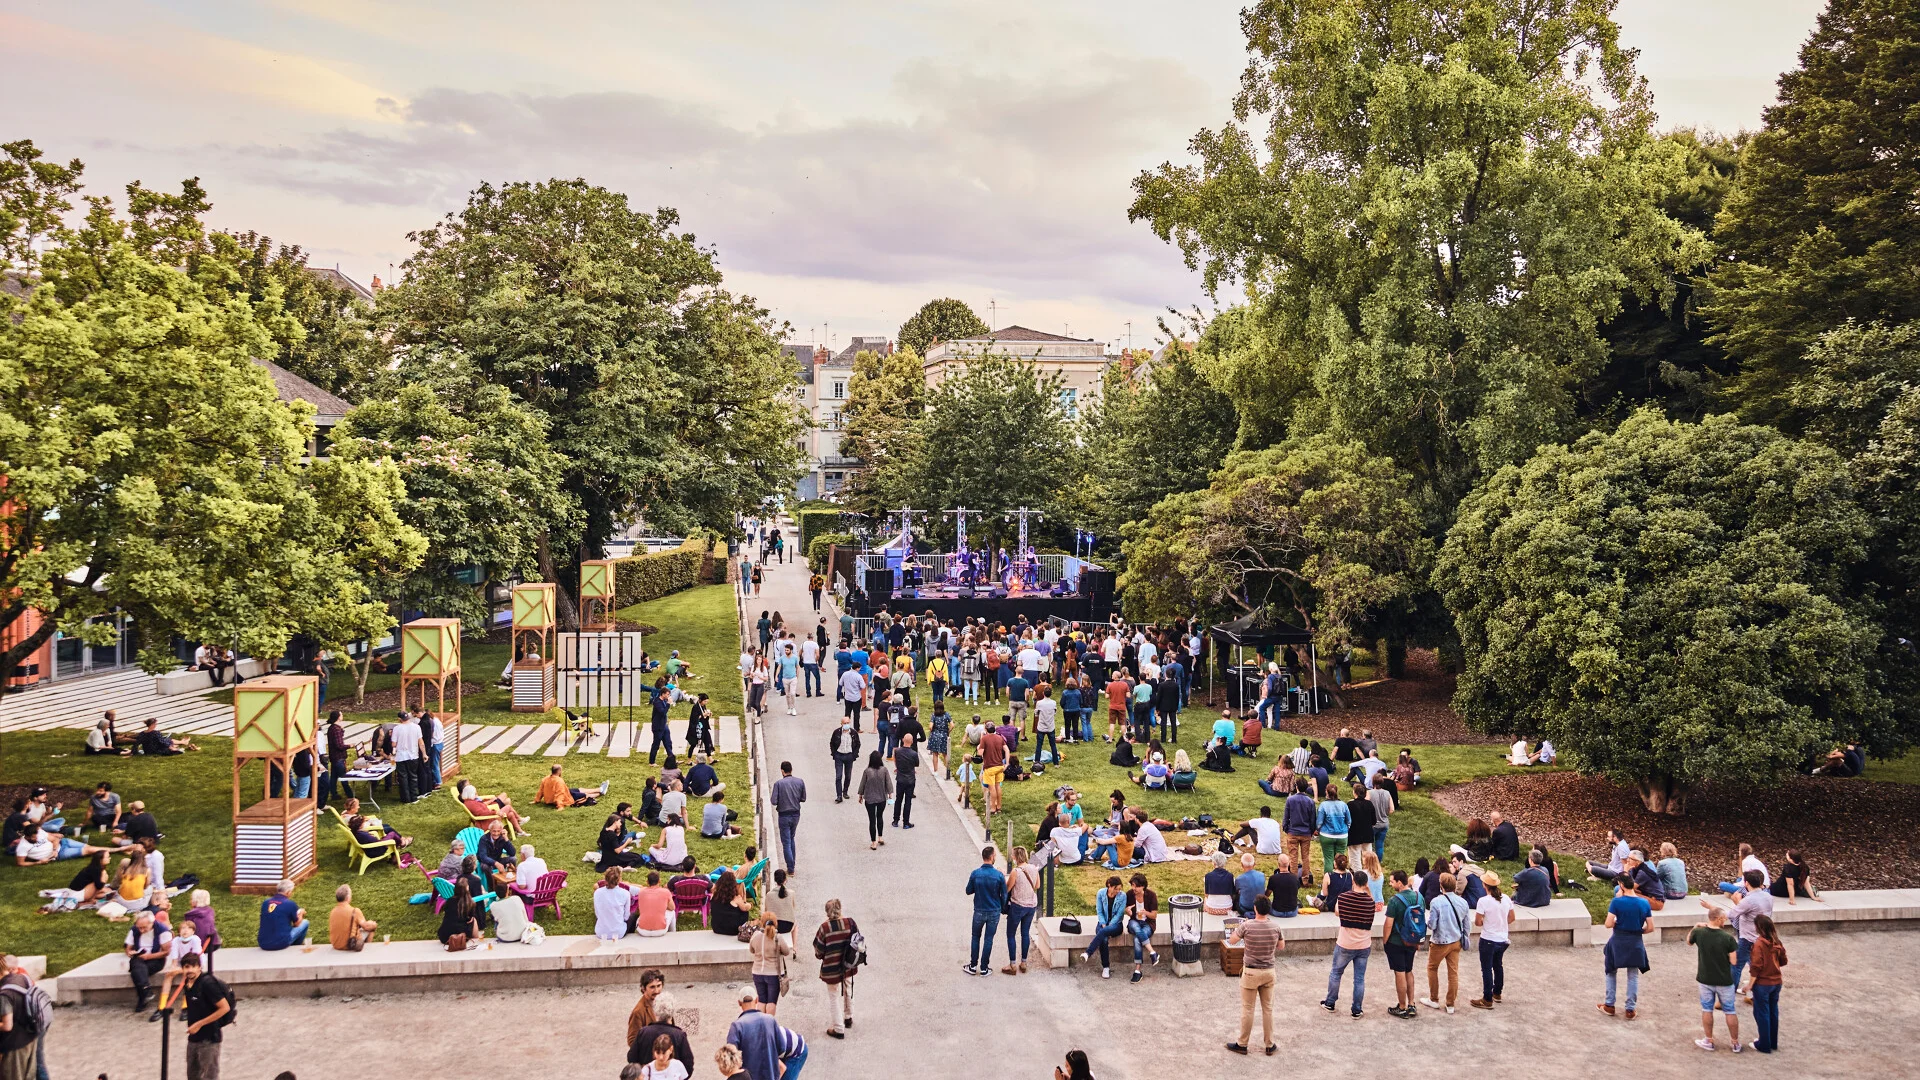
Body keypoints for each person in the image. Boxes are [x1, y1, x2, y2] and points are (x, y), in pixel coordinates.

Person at [1224, 895, 1284, 1055]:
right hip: (1269, 971)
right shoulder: (1275, 927)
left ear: (1255, 909)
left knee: (1248, 1009)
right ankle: (1269, 1044)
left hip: (1251, 972)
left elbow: (1233, 940)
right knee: (1268, 1009)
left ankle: (1242, 1044)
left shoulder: (1247, 926)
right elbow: (1281, 946)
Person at [1709, 869, 1773, 998]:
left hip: (1748, 937)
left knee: (1736, 964)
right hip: (1761, 936)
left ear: (1746, 883)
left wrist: (1711, 908)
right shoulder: (1768, 896)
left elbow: (1732, 914)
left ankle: (1729, 994)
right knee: (1754, 963)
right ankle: (1756, 988)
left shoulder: (1748, 900)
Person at [1688, 905, 1741, 1052]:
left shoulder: (1699, 932)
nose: (1725, 921)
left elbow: (1689, 941)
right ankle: (1735, 1043)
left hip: (1705, 978)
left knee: (1707, 1009)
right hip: (1724, 980)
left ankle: (1709, 1040)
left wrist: (1695, 926)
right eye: (1723, 918)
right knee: (1730, 1011)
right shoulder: (1728, 939)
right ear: (1718, 919)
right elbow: (1734, 961)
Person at [725, 987, 808, 1080]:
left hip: (796, 1051)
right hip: (785, 1048)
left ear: (739, 1003)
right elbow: (780, 1048)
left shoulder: (737, 1026)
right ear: (757, 1000)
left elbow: (730, 1060)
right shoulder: (770, 1019)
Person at [1600, 875, 1652, 1019]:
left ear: (1621, 885)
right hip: (1635, 941)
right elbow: (1651, 927)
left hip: (1618, 940)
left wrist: (1618, 923)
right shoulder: (1644, 903)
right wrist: (1638, 931)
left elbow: (1608, 924)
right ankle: (1630, 1009)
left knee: (1611, 970)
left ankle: (1609, 1005)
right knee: (1633, 975)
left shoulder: (1617, 902)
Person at [1323, 870, 1373, 1018]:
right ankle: (1356, 1009)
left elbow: (1337, 912)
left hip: (1345, 942)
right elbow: (1372, 904)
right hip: (1364, 944)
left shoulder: (1343, 898)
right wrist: (1368, 890)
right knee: (1359, 979)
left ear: (1353, 882)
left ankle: (1330, 1002)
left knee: (1336, 973)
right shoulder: (1370, 902)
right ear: (1365, 884)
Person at [1420, 872, 1469, 1013]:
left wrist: (1427, 922)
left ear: (1441, 886)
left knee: (1432, 968)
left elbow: (1433, 925)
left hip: (1440, 942)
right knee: (1453, 973)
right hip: (1456, 941)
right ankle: (1450, 1004)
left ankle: (1434, 999)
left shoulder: (1436, 902)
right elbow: (1466, 925)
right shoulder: (1463, 902)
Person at [177, 953, 229, 1080]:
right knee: (193, 1075)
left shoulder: (208, 984)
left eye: (193, 966)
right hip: (194, 1038)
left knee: (209, 1076)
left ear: (199, 967)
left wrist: (199, 1024)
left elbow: (224, 1007)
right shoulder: (188, 984)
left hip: (209, 1039)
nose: (189, 970)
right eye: (186, 967)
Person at [813, 898, 860, 1039]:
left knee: (833, 996)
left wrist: (824, 956)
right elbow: (857, 941)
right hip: (848, 964)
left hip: (831, 967)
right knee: (848, 987)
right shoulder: (850, 923)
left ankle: (839, 1028)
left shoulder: (824, 928)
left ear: (827, 913)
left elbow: (818, 950)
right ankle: (848, 1016)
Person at [1381, 869, 1424, 1019]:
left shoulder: (1395, 900)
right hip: (1412, 941)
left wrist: (1385, 941)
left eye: (1392, 881)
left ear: (1400, 882)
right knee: (1408, 971)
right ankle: (1412, 1004)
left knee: (1399, 972)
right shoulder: (1419, 897)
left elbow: (1388, 924)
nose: (1390, 884)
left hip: (1396, 941)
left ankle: (1402, 1006)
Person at [1469, 873, 1515, 1010]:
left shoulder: (1483, 901)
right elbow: (1512, 917)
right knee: (1498, 965)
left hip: (1488, 939)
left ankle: (1487, 998)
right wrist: (1500, 924)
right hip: (1502, 938)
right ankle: (1497, 993)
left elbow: (1478, 922)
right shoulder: (1506, 898)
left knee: (1487, 968)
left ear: (1484, 885)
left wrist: (1488, 923)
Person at [628, 989, 697, 1075]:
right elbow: (688, 1066)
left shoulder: (643, 1032)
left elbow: (631, 1058)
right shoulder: (679, 1035)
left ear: (655, 1011)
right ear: (672, 1012)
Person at [964, 845, 1006, 976]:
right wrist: (1003, 908)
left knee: (975, 937)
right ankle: (984, 967)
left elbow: (968, 891)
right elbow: (1004, 895)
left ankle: (972, 966)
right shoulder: (999, 875)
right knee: (988, 939)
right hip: (994, 911)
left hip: (979, 910)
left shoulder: (975, 873)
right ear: (992, 857)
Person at [1749, 914, 1787, 1053]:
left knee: (1761, 1013)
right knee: (1773, 1011)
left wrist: (1750, 984)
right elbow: (1784, 960)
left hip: (1763, 984)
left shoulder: (1759, 944)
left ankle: (1764, 1044)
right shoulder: (1777, 941)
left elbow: (1756, 966)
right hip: (1776, 982)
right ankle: (1772, 1042)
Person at [124, 910, 171, 1012]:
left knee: (136, 971)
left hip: (156, 959)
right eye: (139, 927)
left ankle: (143, 997)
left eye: (144, 927)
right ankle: (146, 991)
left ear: (152, 923)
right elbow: (128, 947)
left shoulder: (163, 930)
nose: (141, 930)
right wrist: (130, 952)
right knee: (137, 965)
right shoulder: (134, 930)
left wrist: (149, 956)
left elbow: (166, 952)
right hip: (139, 957)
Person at [750, 916, 793, 1016]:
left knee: (761, 1000)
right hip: (773, 974)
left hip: (757, 972)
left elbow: (751, 950)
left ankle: (761, 1025)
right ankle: (769, 1025)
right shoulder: (778, 937)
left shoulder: (756, 935)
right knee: (771, 1002)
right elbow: (786, 952)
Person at [1282, 782, 1316, 888]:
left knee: (1293, 857)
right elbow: (1313, 819)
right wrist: (1311, 831)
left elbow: (1286, 816)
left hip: (1293, 832)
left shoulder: (1290, 800)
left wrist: (1286, 828)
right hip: (1305, 832)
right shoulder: (1310, 801)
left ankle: (1294, 880)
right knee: (1305, 857)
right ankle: (1305, 880)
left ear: (1296, 787)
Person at [257, 880, 307, 950]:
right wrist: (301, 913)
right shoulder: (290, 904)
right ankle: (294, 946)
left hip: (263, 943)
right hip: (280, 943)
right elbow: (297, 924)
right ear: (288, 892)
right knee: (305, 923)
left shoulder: (265, 903)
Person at [438, 878, 486, 946]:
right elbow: (470, 919)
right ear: (467, 888)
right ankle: (476, 939)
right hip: (461, 937)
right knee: (474, 920)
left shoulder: (449, 901)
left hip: (444, 936)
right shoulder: (470, 903)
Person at [328, 884, 376, 951]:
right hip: (350, 945)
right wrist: (373, 924)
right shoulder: (355, 911)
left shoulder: (333, 912)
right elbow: (366, 927)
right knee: (371, 928)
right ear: (347, 897)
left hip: (336, 945)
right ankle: (366, 952)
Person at [594, 867, 634, 940]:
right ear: (619, 879)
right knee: (633, 916)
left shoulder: (597, 892)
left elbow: (597, 914)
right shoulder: (625, 893)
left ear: (605, 879)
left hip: (601, 932)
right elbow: (626, 917)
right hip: (618, 933)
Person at [711, 870, 753, 937]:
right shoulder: (736, 899)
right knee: (744, 911)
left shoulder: (714, 896)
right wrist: (750, 904)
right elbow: (745, 908)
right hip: (733, 930)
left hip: (717, 928)